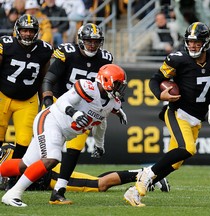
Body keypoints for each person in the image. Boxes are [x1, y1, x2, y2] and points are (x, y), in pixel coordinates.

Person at [123, 22, 210, 207]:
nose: (192, 46)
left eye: (197, 42)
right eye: (190, 42)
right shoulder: (178, 59)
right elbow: (155, 79)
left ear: (206, 42)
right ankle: (146, 177)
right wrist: (160, 94)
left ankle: (134, 191)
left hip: (196, 118)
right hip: (178, 112)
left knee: (174, 163)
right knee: (188, 149)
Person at [0, 64, 127, 207]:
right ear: (105, 80)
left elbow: (101, 124)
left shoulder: (112, 104)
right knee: (52, 159)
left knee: (25, 165)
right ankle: (13, 194)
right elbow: (61, 101)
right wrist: (75, 113)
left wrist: (99, 145)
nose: (119, 88)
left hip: (61, 132)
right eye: (117, 83)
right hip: (50, 120)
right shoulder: (87, 87)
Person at [41, 23, 119, 205]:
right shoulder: (68, 52)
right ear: (80, 40)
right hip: (60, 104)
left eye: (95, 41)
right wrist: (46, 100)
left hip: (83, 110)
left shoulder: (105, 58)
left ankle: (59, 189)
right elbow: (49, 78)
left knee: (74, 150)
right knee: (44, 150)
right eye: (88, 41)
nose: (92, 45)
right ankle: (20, 178)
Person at [0, 13, 53, 185]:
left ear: (36, 32)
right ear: (17, 30)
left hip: (27, 100)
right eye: (24, 30)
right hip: (3, 96)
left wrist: (45, 100)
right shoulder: (6, 45)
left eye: (31, 31)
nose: (27, 34)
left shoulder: (44, 50)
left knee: (24, 140)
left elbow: (44, 78)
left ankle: (12, 177)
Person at [0, 143, 170, 193]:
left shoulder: (7, 154)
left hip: (51, 176)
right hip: (48, 178)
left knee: (100, 185)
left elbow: (16, 167)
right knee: (95, 180)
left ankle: (149, 174)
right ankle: (145, 175)